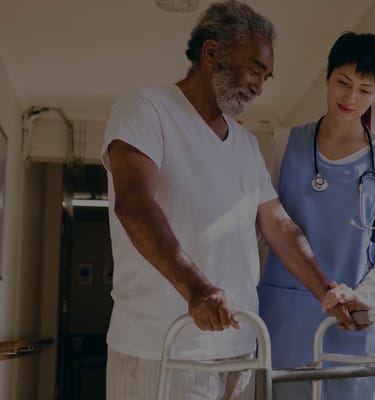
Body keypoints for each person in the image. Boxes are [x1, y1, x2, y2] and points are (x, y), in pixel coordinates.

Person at [102, 1, 356, 398]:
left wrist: (327, 291)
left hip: (239, 350)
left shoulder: (246, 144)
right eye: (254, 69)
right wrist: (196, 290)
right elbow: (133, 204)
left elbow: (279, 226)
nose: (258, 87)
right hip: (162, 348)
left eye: (265, 77)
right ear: (211, 53)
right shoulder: (146, 108)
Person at [259, 32, 375, 399]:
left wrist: (364, 296)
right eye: (343, 82)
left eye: (365, 89)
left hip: (350, 322)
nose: (351, 97)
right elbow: (261, 227)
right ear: (327, 76)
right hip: (285, 317)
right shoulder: (286, 142)